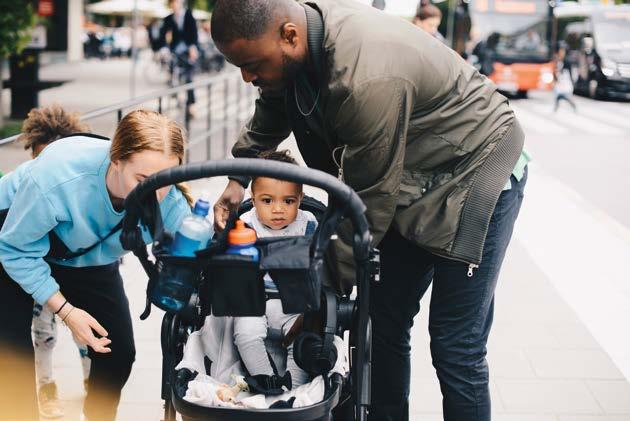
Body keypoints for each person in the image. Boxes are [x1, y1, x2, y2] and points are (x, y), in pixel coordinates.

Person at [209, 1, 529, 420]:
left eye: (250, 63)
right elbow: (274, 98)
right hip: (412, 174)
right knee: (380, 322)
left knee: (455, 343)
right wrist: (238, 177)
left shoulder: (365, 78)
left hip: (475, 169)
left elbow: (369, 205)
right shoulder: (301, 42)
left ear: (289, 35)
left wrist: (316, 299)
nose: (246, 76)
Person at [0, 109, 193, 420]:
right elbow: (13, 249)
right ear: (115, 160)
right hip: (17, 242)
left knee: (119, 354)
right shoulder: (58, 177)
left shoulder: (168, 199)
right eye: (143, 180)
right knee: (11, 356)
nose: (154, 194)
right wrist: (67, 311)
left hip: (87, 258)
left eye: (165, 180)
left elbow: (198, 250)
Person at [17, 105, 93, 419]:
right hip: (43, 269)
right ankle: (47, 391)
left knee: (84, 332)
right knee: (43, 332)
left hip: (79, 267)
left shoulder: (80, 187)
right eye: (38, 157)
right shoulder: (25, 184)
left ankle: (91, 383)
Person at [234, 150, 315, 391]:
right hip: (255, 302)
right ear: (253, 197)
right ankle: (267, 380)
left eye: (288, 201)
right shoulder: (245, 224)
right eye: (267, 201)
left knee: (303, 341)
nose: (278, 209)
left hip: (295, 305)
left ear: (300, 198)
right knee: (245, 334)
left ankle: (294, 389)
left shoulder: (308, 223)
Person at [160, 0, 199, 115]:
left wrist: (192, 47)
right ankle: (174, 93)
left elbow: (193, 33)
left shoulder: (188, 15)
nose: (174, 5)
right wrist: (163, 48)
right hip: (175, 50)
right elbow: (162, 34)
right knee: (172, 71)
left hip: (188, 50)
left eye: (176, 2)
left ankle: (191, 104)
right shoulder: (169, 18)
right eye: (172, 3)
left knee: (189, 78)